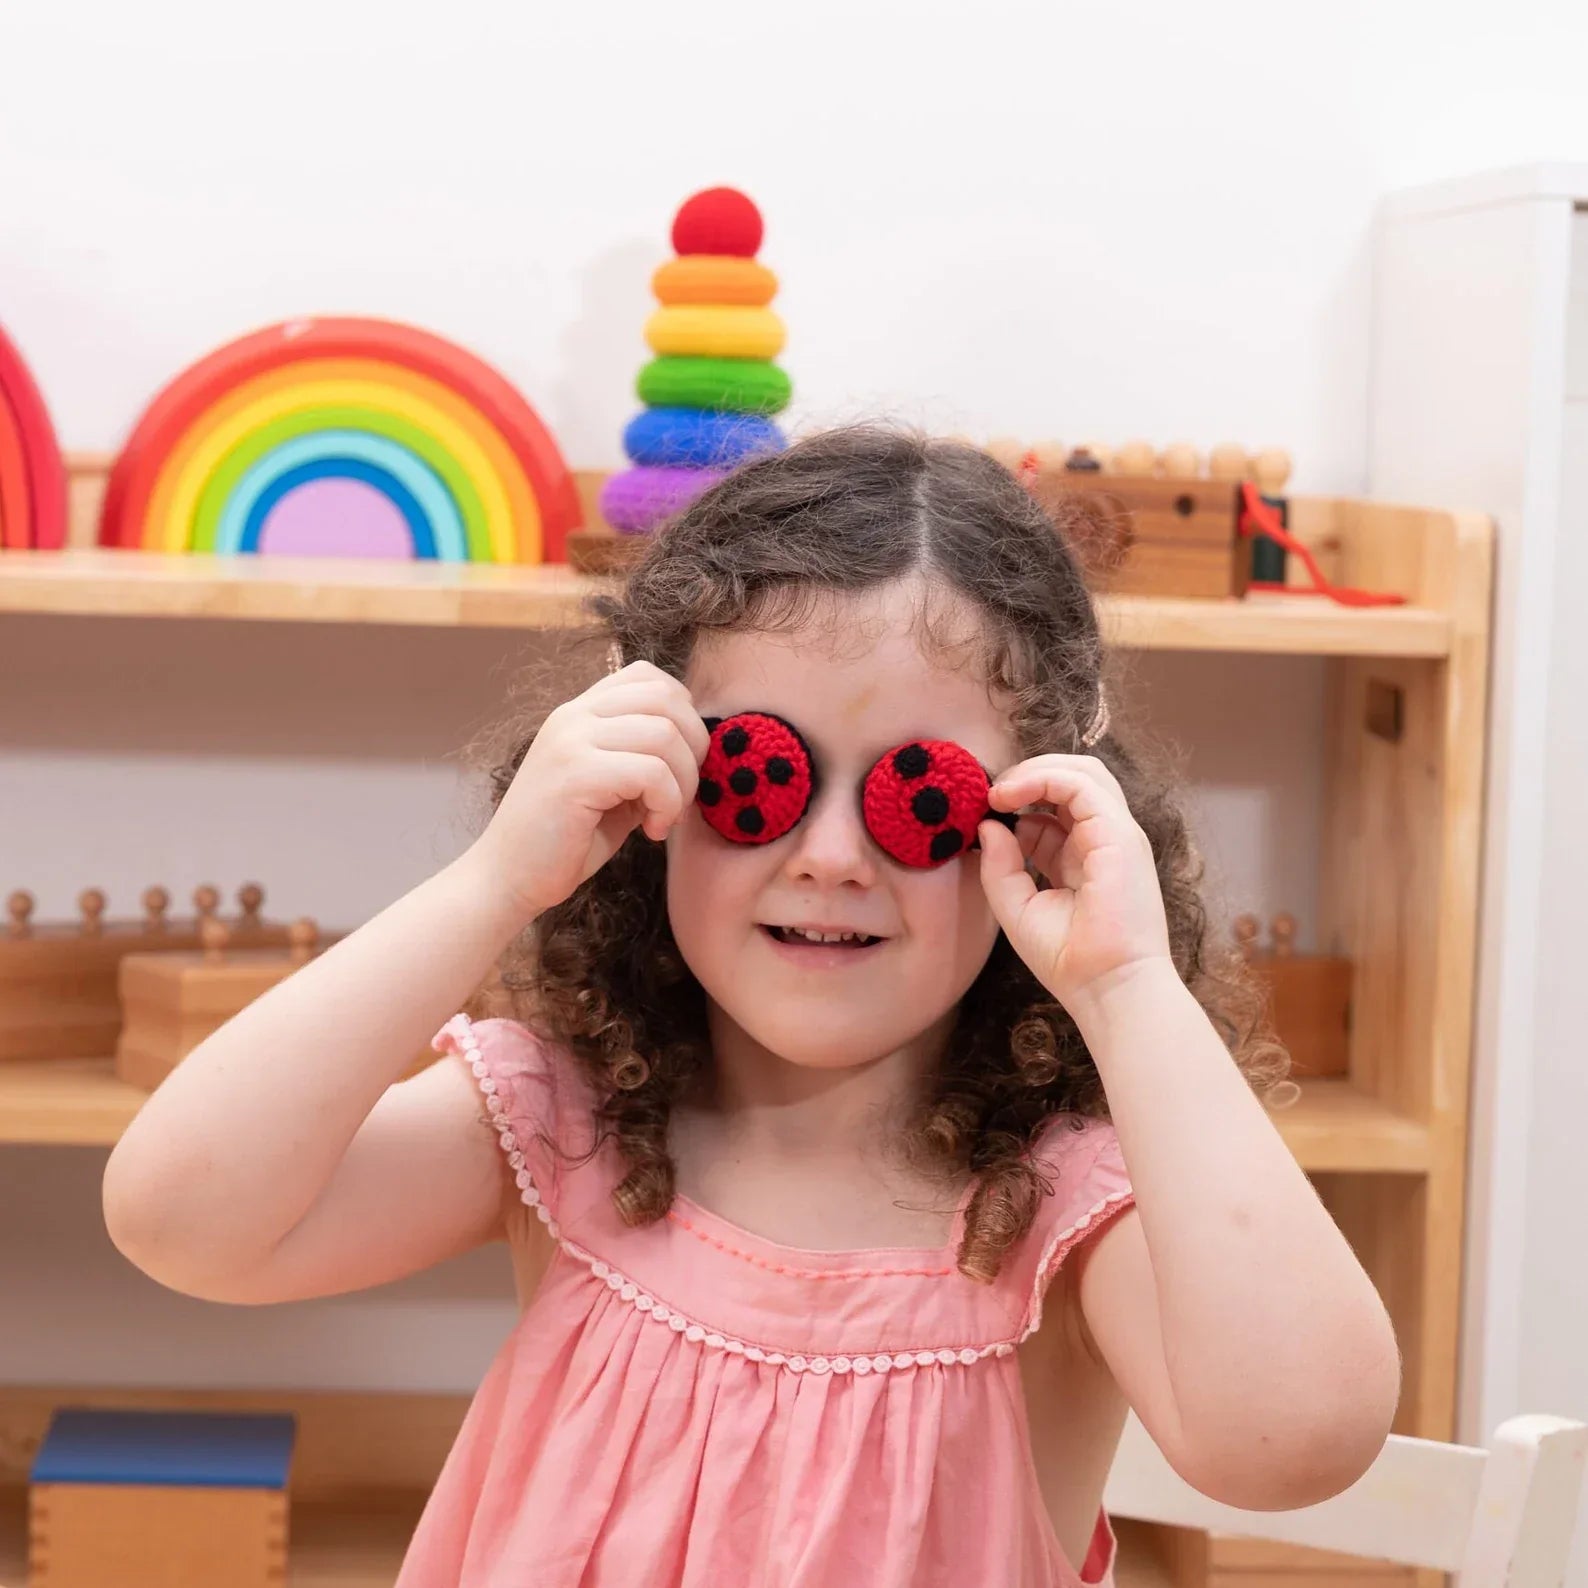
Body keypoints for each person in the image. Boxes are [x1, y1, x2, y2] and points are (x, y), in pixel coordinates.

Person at [102, 428, 1400, 1587]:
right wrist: (497, 878)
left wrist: (1128, 987)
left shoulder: (1053, 1214)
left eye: (919, 797)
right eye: (759, 776)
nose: (832, 854)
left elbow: (1297, 1442)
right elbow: (182, 1223)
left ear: (1043, 814)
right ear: (646, 780)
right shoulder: (577, 1127)